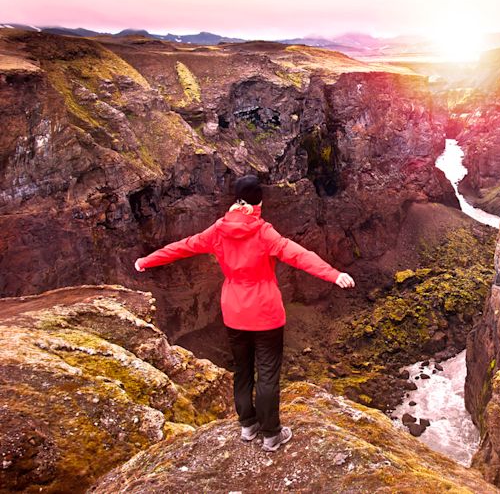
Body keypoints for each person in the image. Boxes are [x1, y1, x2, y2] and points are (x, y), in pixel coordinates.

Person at [134, 175, 355, 452]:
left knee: (242, 370)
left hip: (235, 312)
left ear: (236, 200)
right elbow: (299, 255)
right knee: (267, 374)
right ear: (258, 200)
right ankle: (272, 434)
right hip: (266, 313)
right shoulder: (263, 232)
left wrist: (146, 261)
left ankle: (248, 427)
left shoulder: (218, 230)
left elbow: (182, 247)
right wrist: (334, 275)